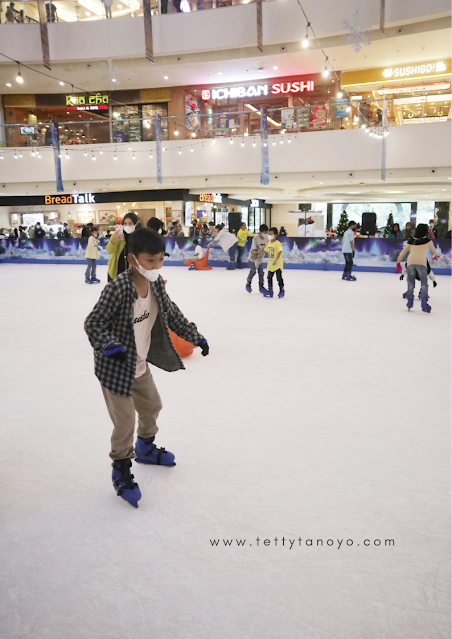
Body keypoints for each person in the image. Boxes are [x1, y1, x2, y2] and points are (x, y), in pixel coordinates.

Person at [84, 228, 209, 508]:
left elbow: (172, 313)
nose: (156, 266)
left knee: (152, 406)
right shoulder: (118, 288)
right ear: (132, 259)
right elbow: (93, 323)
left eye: (160, 260)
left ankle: (145, 448)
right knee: (125, 421)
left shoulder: (157, 285)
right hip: (115, 367)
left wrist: (194, 335)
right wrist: (109, 344)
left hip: (139, 364)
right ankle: (121, 467)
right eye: (150, 261)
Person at [396, 223, 439, 313]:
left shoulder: (411, 241)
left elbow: (403, 253)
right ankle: (424, 303)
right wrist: (435, 256)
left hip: (410, 263)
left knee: (411, 283)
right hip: (422, 263)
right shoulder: (428, 242)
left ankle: (410, 302)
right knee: (424, 283)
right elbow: (435, 252)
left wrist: (398, 262)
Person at [106, 212, 140, 281]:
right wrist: (113, 241)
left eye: (130, 223)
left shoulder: (139, 238)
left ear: (136, 224)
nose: (127, 226)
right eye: (125, 223)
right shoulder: (117, 235)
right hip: (116, 274)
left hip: (133, 277)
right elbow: (109, 251)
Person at [262, 227, 284, 298]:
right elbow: (265, 250)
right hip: (271, 264)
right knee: (269, 277)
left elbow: (280, 251)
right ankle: (270, 290)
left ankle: (281, 290)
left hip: (277, 264)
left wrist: (276, 259)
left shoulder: (277, 243)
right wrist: (257, 252)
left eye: (270, 234)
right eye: (268, 234)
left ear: (275, 235)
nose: (269, 235)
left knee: (279, 278)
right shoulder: (269, 243)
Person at [246, 224, 268, 293]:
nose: (266, 234)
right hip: (253, 258)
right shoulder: (255, 239)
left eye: (266, 233)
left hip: (260, 258)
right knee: (253, 271)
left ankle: (261, 286)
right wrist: (255, 261)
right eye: (265, 233)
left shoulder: (267, 237)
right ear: (260, 232)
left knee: (261, 272)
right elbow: (253, 251)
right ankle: (248, 284)